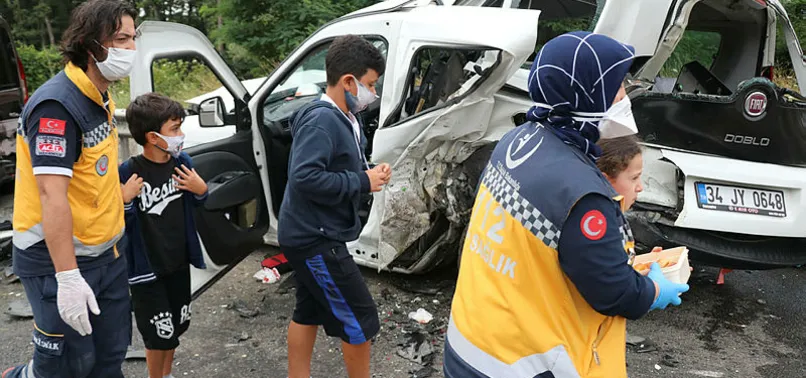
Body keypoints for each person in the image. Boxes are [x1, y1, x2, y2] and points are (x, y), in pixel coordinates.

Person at [443, 31, 690, 378]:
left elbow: (533, 250)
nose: (625, 95)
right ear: (587, 96)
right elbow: (614, 292)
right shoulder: (584, 194)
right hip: (523, 365)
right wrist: (653, 290)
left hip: (469, 343)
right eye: (617, 87)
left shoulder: (517, 140)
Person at [2, 1, 137, 377]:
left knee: (109, 357)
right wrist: (67, 277)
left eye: (133, 38)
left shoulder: (98, 96)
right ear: (90, 44)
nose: (131, 48)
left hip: (106, 255)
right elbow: (52, 194)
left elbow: (92, 176)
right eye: (121, 39)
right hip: (58, 262)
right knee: (66, 366)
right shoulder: (57, 106)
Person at [277, 35, 390, 378]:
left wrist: (369, 172)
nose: (373, 92)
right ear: (348, 81)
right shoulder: (323, 120)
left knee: (308, 310)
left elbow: (338, 165)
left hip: (312, 230)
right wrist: (362, 182)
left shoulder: (346, 117)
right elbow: (304, 177)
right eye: (371, 84)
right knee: (361, 318)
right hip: (314, 237)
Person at [118, 92, 209, 378]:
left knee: (176, 327)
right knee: (158, 333)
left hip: (178, 263)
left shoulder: (182, 163)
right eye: (175, 129)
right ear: (153, 137)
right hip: (148, 271)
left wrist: (201, 190)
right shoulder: (129, 172)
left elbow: (197, 202)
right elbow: (117, 222)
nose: (180, 135)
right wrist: (124, 200)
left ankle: (166, 374)